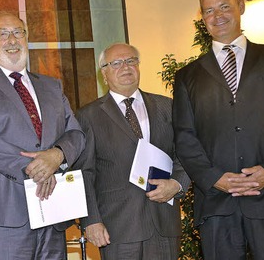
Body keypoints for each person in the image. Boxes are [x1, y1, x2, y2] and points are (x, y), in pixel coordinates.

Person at [0, 13, 85, 259]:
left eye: (18, 32)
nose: (12, 40)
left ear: (27, 38)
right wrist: (35, 166)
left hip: (52, 212)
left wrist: (57, 156)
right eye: (2, 34)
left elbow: (76, 133)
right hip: (0, 214)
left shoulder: (52, 85)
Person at [173, 0, 264, 260]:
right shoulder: (187, 76)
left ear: (240, 6)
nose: (217, 16)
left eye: (224, 6)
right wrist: (215, 178)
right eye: (209, 11)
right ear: (202, 18)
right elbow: (185, 137)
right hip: (217, 204)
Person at [75, 43, 190, 259]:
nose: (125, 67)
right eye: (116, 63)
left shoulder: (167, 106)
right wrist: (91, 220)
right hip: (117, 228)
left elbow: (185, 155)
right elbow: (85, 173)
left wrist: (176, 184)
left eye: (131, 61)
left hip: (163, 223)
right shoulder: (88, 116)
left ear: (138, 66)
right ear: (104, 73)